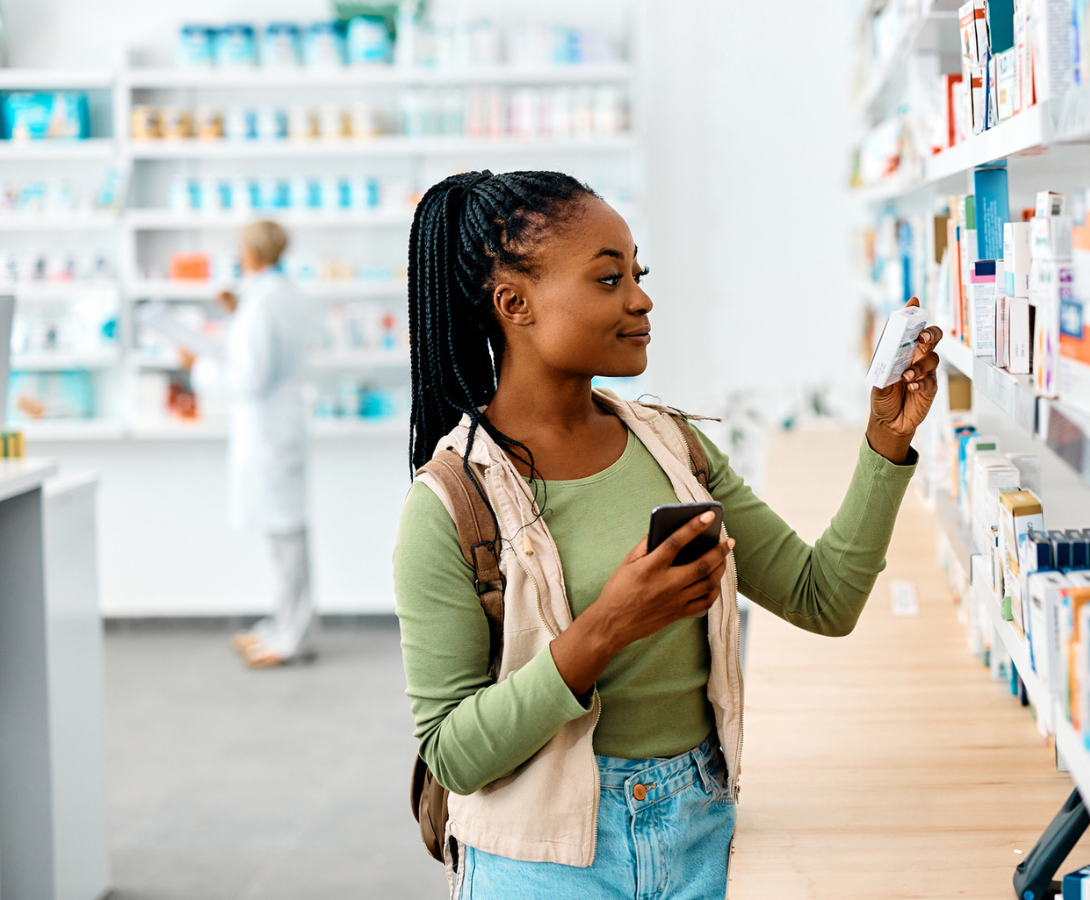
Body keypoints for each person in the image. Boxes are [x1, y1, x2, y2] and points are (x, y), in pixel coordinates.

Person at [393, 171, 942, 898]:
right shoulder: (450, 504)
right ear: (514, 304)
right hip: (542, 863)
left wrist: (886, 442)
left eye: (637, 273)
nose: (640, 298)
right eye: (608, 278)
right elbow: (453, 755)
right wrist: (609, 626)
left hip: (698, 833)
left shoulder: (674, 451)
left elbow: (824, 598)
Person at [189, 220, 313, 669]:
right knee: (280, 534)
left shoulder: (264, 304)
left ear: (252, 252)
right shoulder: (274, 296)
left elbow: (248, 376)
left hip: (269, 431)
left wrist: (199, 363)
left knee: (285, 535)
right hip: (275, 429)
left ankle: (292, 635)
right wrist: (234, 314)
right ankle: (284, 623)